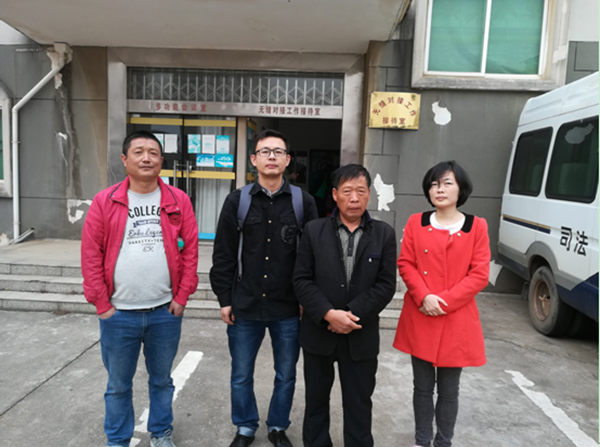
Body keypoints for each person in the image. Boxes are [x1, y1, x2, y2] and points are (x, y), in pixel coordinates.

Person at [81, 130, 199, 447]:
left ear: (161, 160)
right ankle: (118, 440)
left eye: (153, 152)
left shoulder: (178, 200)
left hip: (165, 312)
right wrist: (102, 304)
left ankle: (161, 434)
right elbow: (91, 255)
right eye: (138, 152)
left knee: (162, 381)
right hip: (119, 314)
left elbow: (190, 251)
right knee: (118, 385)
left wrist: (182, 296)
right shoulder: (105, 201)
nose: (146, 158)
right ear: (125, 159)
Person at [210, 129, 318, 447]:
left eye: (278, 151)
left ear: (288, 160)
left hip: (289, 306)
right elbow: (223, 254)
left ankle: (277, 427)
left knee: (286, 373)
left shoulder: (303, 202)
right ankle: (245, 427)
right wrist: (224, 298)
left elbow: (313, 257)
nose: (272, 156)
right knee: (241, 373)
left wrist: (308, 300)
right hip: (245, 304)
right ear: (254, 159)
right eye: (265, 151)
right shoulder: (237, 201)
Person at [293, 164, 397, 447]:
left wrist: (351, 315)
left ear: (369, 195)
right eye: (347, 191)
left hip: (361, 336)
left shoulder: (384, 234)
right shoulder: (314, 231)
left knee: (359, 404)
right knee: (316, 402)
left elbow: (386, 285)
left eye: (361, 191)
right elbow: (301, 279)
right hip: (318, 334)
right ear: (335, 194)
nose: (354, 198)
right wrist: (328, 314)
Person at [393, 161, 490, 447]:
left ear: (461, 189)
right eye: (434, 184)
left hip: (456, 319)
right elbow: (406, 263)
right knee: (422, 387)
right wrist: (424, 296)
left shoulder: (476, 226)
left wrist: (443, 301)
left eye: (448, 183)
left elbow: (479, 274)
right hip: (421, 314)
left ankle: (443, 442)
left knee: (449, 391)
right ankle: (422, 441)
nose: (440, 189)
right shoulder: (417, 222)